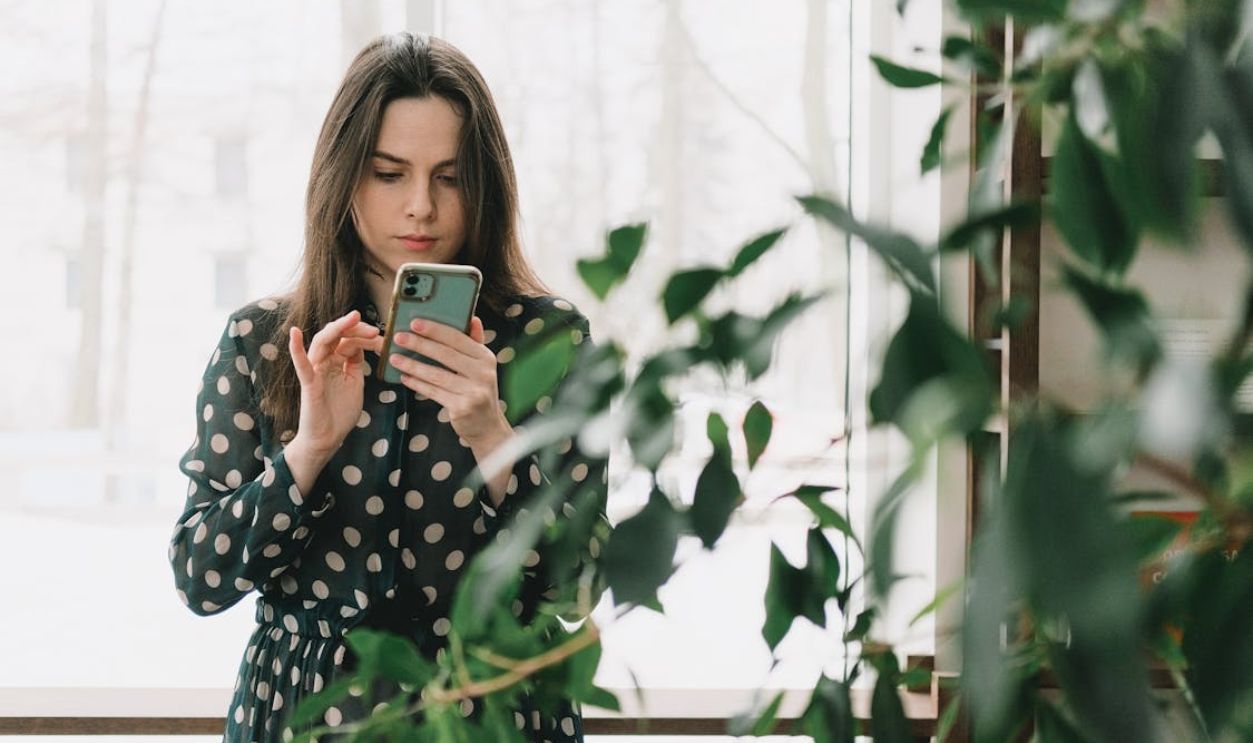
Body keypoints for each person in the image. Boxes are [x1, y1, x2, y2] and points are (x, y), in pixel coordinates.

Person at [168, 32, 607, 743]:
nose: (421, 209)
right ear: (344, 177)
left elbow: (576, 587)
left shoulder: (547, 342)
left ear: (483, 184)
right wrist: (307, 453)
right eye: (389, 173)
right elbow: (200, 577)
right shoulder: (262, 343)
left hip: (491, 714)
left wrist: (492, 437)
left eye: (450, 176)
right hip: (306, 715)